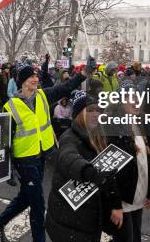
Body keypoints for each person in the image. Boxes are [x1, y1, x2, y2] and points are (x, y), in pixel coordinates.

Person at [0, 61, 90, 242]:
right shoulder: (10, 107)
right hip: (25, 160)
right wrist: (7, 169)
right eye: (31, 76)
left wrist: (83, 74)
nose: (35, 78)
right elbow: (5, 141)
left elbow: (65, 88)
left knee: (27, 197)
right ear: (23, 81)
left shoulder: (42, 95)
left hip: (43, 156)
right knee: (38, 204)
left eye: (36, 75)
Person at [45, 91, 119, 242]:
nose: (96, 114)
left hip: (88, 218)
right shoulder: (69, 137)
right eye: (90, 110)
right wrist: (90, 172)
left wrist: (114, 204)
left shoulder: (98, 136)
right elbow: (68, 158)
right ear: (79, 113)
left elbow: (108, 175)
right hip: (70, 222)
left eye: (99, 110)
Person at [106, 88, 150, 242]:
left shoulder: (140, 122)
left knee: (135, 237)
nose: (136, 103)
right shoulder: (113, 126)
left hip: (138, 196)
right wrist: (115, 205)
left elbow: (149, 158)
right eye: (132, 99)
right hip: (123, 199)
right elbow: (109, 171)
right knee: (125, 238)